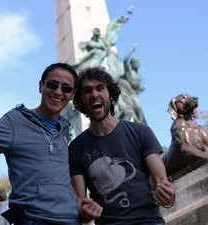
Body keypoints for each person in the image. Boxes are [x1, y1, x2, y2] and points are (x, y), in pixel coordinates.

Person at [0, 63, 84, 225]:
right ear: (41, 86)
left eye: (66, 88)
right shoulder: (15, 121)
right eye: (52, 84)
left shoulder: (64, 128)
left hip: (70, 220)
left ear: (73, 94)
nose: (58, 92)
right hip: (33, 219)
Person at [69, 67, 175, 225]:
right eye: (87, 90)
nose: (94, 94)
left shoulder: (141, 132)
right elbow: (80, 201)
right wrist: (85, 212)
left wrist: (168, 196)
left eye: (100, 88)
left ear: (110, 95)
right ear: (81, 100)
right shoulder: (75, 149)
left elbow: (161, 181)